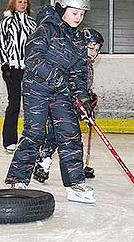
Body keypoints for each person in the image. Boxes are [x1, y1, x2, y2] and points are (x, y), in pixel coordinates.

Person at [5, 0, 96, 204]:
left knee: (70, 133)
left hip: (61, 91)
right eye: (75, 13)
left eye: (82, 14)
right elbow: (33, 60)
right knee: (34, 133)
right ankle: (18, 180)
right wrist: (57, 79)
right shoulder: (46, 29)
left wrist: (83, 100)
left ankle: (75, 184)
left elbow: (78, 72)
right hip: (37, 88)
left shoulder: (78, 39)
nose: (78, 18)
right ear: (62, 8)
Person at [33, 28, 104, 184]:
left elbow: (83, 84)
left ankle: (73, 167)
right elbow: (67, 81)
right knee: (55, 136)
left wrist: (88, 97)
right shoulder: (72, 61)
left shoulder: (87, 65)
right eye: (90, 47)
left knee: (69, 136)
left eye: (96, 49)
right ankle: (42, 162)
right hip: (59, 103)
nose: (93, 52)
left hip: (71, 105)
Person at [0, 0, 37, 153]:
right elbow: (0, 45)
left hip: (29, 69)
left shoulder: (32, 24)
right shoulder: (5, 23)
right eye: (20, 2)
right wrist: (4, 65)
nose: (23, 5)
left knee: (31, 104)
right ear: (14, 3)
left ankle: (31, 139)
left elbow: (36, 45)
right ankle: (9, 140)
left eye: (25, 2)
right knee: (14, 103)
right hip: (12, 68)